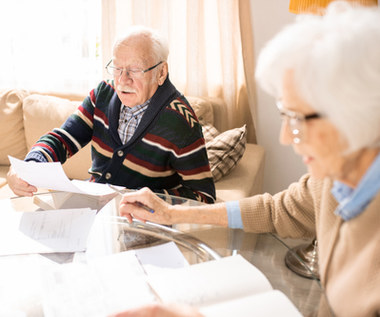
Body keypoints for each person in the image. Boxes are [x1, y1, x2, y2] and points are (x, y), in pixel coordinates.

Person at [116, 2, 380, 317]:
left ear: (352, 114)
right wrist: (172, 213)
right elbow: (275, 210)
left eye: (296, 118)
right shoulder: (332, 181)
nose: (284, 136)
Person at [6, 26, 216, 204]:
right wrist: (31, 166)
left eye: (135, 69)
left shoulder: (180, 121)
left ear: (161, 73)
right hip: (92, 210)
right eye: (117, 68)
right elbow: (63, 139)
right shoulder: (103, 95)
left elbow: (204, 196)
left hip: (143, 226)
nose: (123, 80)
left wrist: (152, 201)